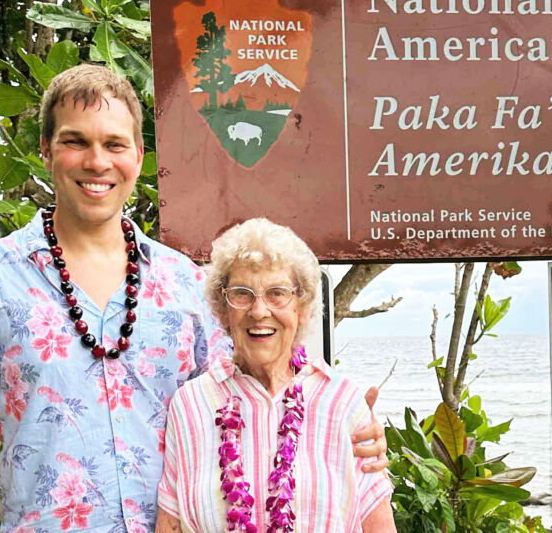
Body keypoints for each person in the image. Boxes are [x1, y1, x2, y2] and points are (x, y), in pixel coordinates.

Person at [0, 64, 387, 533]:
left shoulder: (187, 283)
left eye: (114, 144)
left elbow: (250, 398)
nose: (97, 162)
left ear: (139, 156)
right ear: (45, 149)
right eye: (75, 141)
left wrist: (349, 427)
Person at [155, 218, 395, 533]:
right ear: (223, 309)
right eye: (242, 294)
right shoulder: (191, 405)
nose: (258, 311)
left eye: (277, 293)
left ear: (303, 307)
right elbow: (170, 525)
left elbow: (378, 526)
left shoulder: (343, 402)